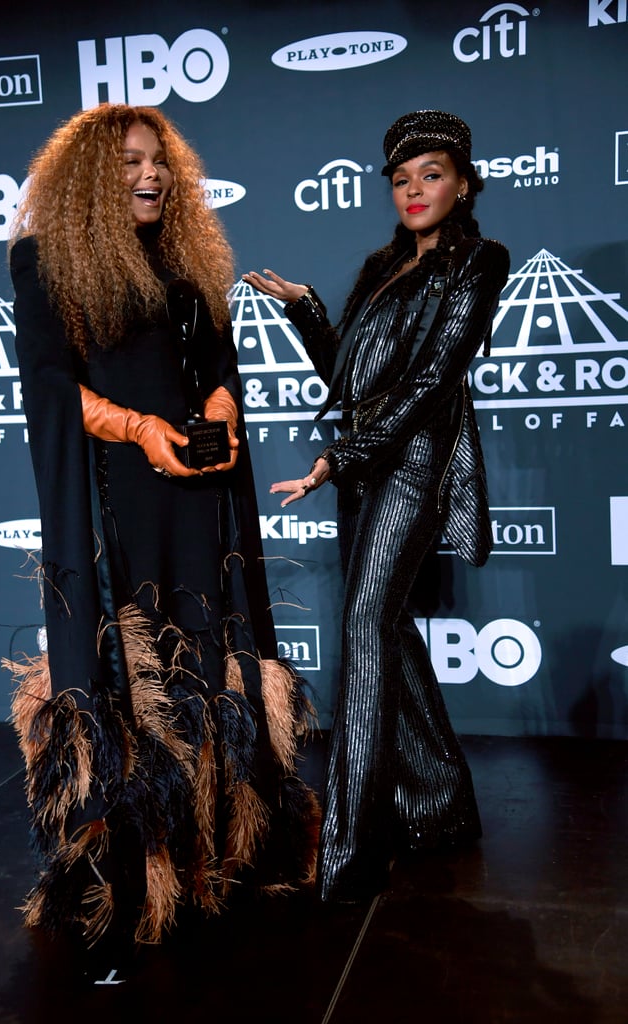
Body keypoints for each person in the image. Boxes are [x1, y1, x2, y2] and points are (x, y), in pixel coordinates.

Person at [6, 103, 320, 947]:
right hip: (117, 507)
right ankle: (130, 887)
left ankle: (220, 864)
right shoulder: (44, 263)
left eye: (159, 162)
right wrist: (141, 429)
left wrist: (216, 412)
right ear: (87, 183)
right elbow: (48, 384)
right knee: (130, 668)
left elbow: (220, 365)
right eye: (128, 164)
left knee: (210, 653)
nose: (150, 176)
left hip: (199, 496)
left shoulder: (186, 261)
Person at [243, 109, 510, 903]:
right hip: (365, 465)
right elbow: (349, 377)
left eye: (431, 174)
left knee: (361, 627)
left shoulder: (479, 261)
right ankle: (441, 807)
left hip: (415, 463)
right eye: (400, 180)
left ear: (463, 184)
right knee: (384, 629)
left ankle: (352, 849)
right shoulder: (380, 267)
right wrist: (306, 311)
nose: (414, 190)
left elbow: (432, 381)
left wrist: (344, 455)